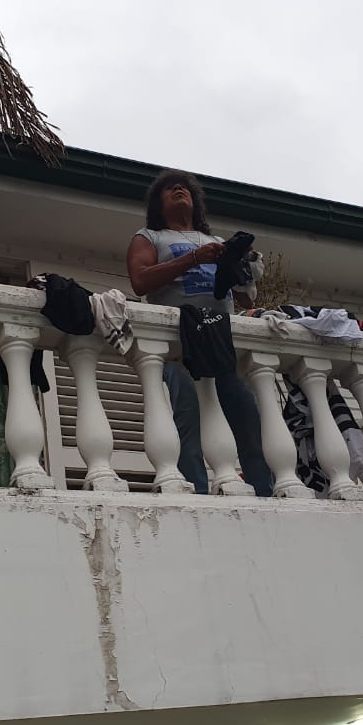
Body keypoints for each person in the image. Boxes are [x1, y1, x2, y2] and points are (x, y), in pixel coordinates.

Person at [126, 169, 274, 497]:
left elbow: (246, 299)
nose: (179, 189)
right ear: (158, 204)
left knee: (247, 419)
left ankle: (265, 491)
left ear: (195, 202)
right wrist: (194, 258)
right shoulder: (150, 237)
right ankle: (197, 496)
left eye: (185, 188)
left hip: (222, 341)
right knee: (187, 421)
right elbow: (140, 281)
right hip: (181, 343)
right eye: (169, 189)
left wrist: (241, 268)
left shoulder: (216, 243)